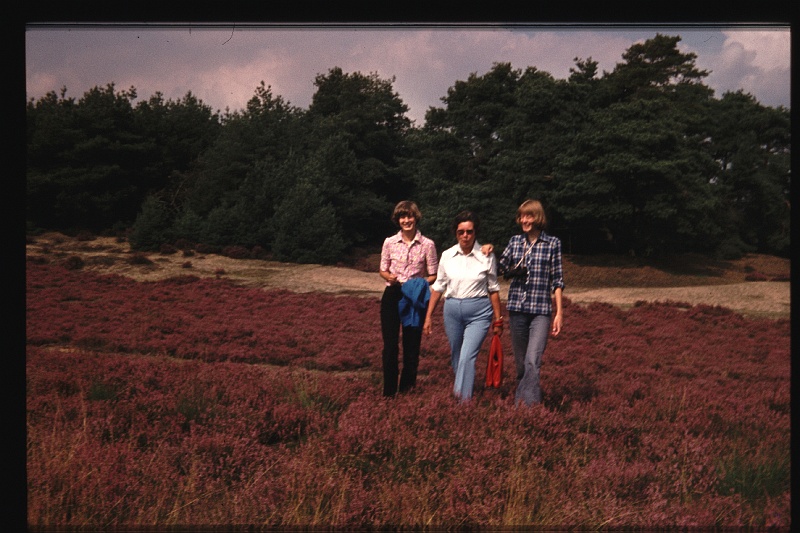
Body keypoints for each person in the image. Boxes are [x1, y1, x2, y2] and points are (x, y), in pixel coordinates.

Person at [423, 211, 503, 402]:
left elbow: (493, 289)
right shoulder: (447, 255)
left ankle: (462, 401)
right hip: (451, 311)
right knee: (457, 356)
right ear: (456, 233)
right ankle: (463, 391)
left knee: (467, 356)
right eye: (461, 232)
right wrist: (428, 316)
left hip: (479, 312)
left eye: (469, 231)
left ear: (475, 232)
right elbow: (438, 287)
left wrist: (498, 319)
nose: (465, 236)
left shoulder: (487, 256)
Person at [498, 199, 564, 406]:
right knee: (520, 364)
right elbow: (499, 267)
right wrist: (490, 252)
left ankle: (529, 410)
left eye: (529, 216)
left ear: (538, 217)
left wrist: (559, 313)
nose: (524, 220)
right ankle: (523, 403)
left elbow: (557, 281)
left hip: (540, 311)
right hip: (517, 309)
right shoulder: (515, 242)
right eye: (521, 216)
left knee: (533, 360)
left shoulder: (552, 244)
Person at [379, 201, 439, 397]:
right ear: (398, 220)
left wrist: (419, 283)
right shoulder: (389, 242)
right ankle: (389, 393)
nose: (406, 220)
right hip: (393, 294)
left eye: (409, 216)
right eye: (402, 217)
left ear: (416, 218)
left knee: (412, 345)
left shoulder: (428, 244)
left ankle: (407, 391)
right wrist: (388, 276)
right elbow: (382, 269)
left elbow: (433, 274)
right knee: (390, 345)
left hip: (415, 296)